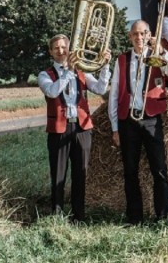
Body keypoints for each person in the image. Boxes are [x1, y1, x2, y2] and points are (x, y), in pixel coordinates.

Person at [108, 20, 168, 225]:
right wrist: (115, 128)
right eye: (135, 34)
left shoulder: (157, 56)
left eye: (143, 34)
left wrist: (161, 50)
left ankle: (164, 216)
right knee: (130, 171)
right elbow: (114, 95)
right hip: (128, 121)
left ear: (149, 35)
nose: (139, 38)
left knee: (159, 169)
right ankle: (135, 218)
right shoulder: (121, 60)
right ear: (130, 37)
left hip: (151, 120)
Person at [37, 34, 111, 223]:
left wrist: (105, 66)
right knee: (58, 174)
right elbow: (53, 92)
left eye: (64, 47)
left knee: (80, 174)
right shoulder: (45, 75)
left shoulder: (82, 71)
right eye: (56, 48)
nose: (61, 51)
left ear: (69, 49)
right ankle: (57, 216)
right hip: (59, 130)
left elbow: (101, 89)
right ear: (50, 52)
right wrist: (68, 70)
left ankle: (79, 216)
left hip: (82, 127)